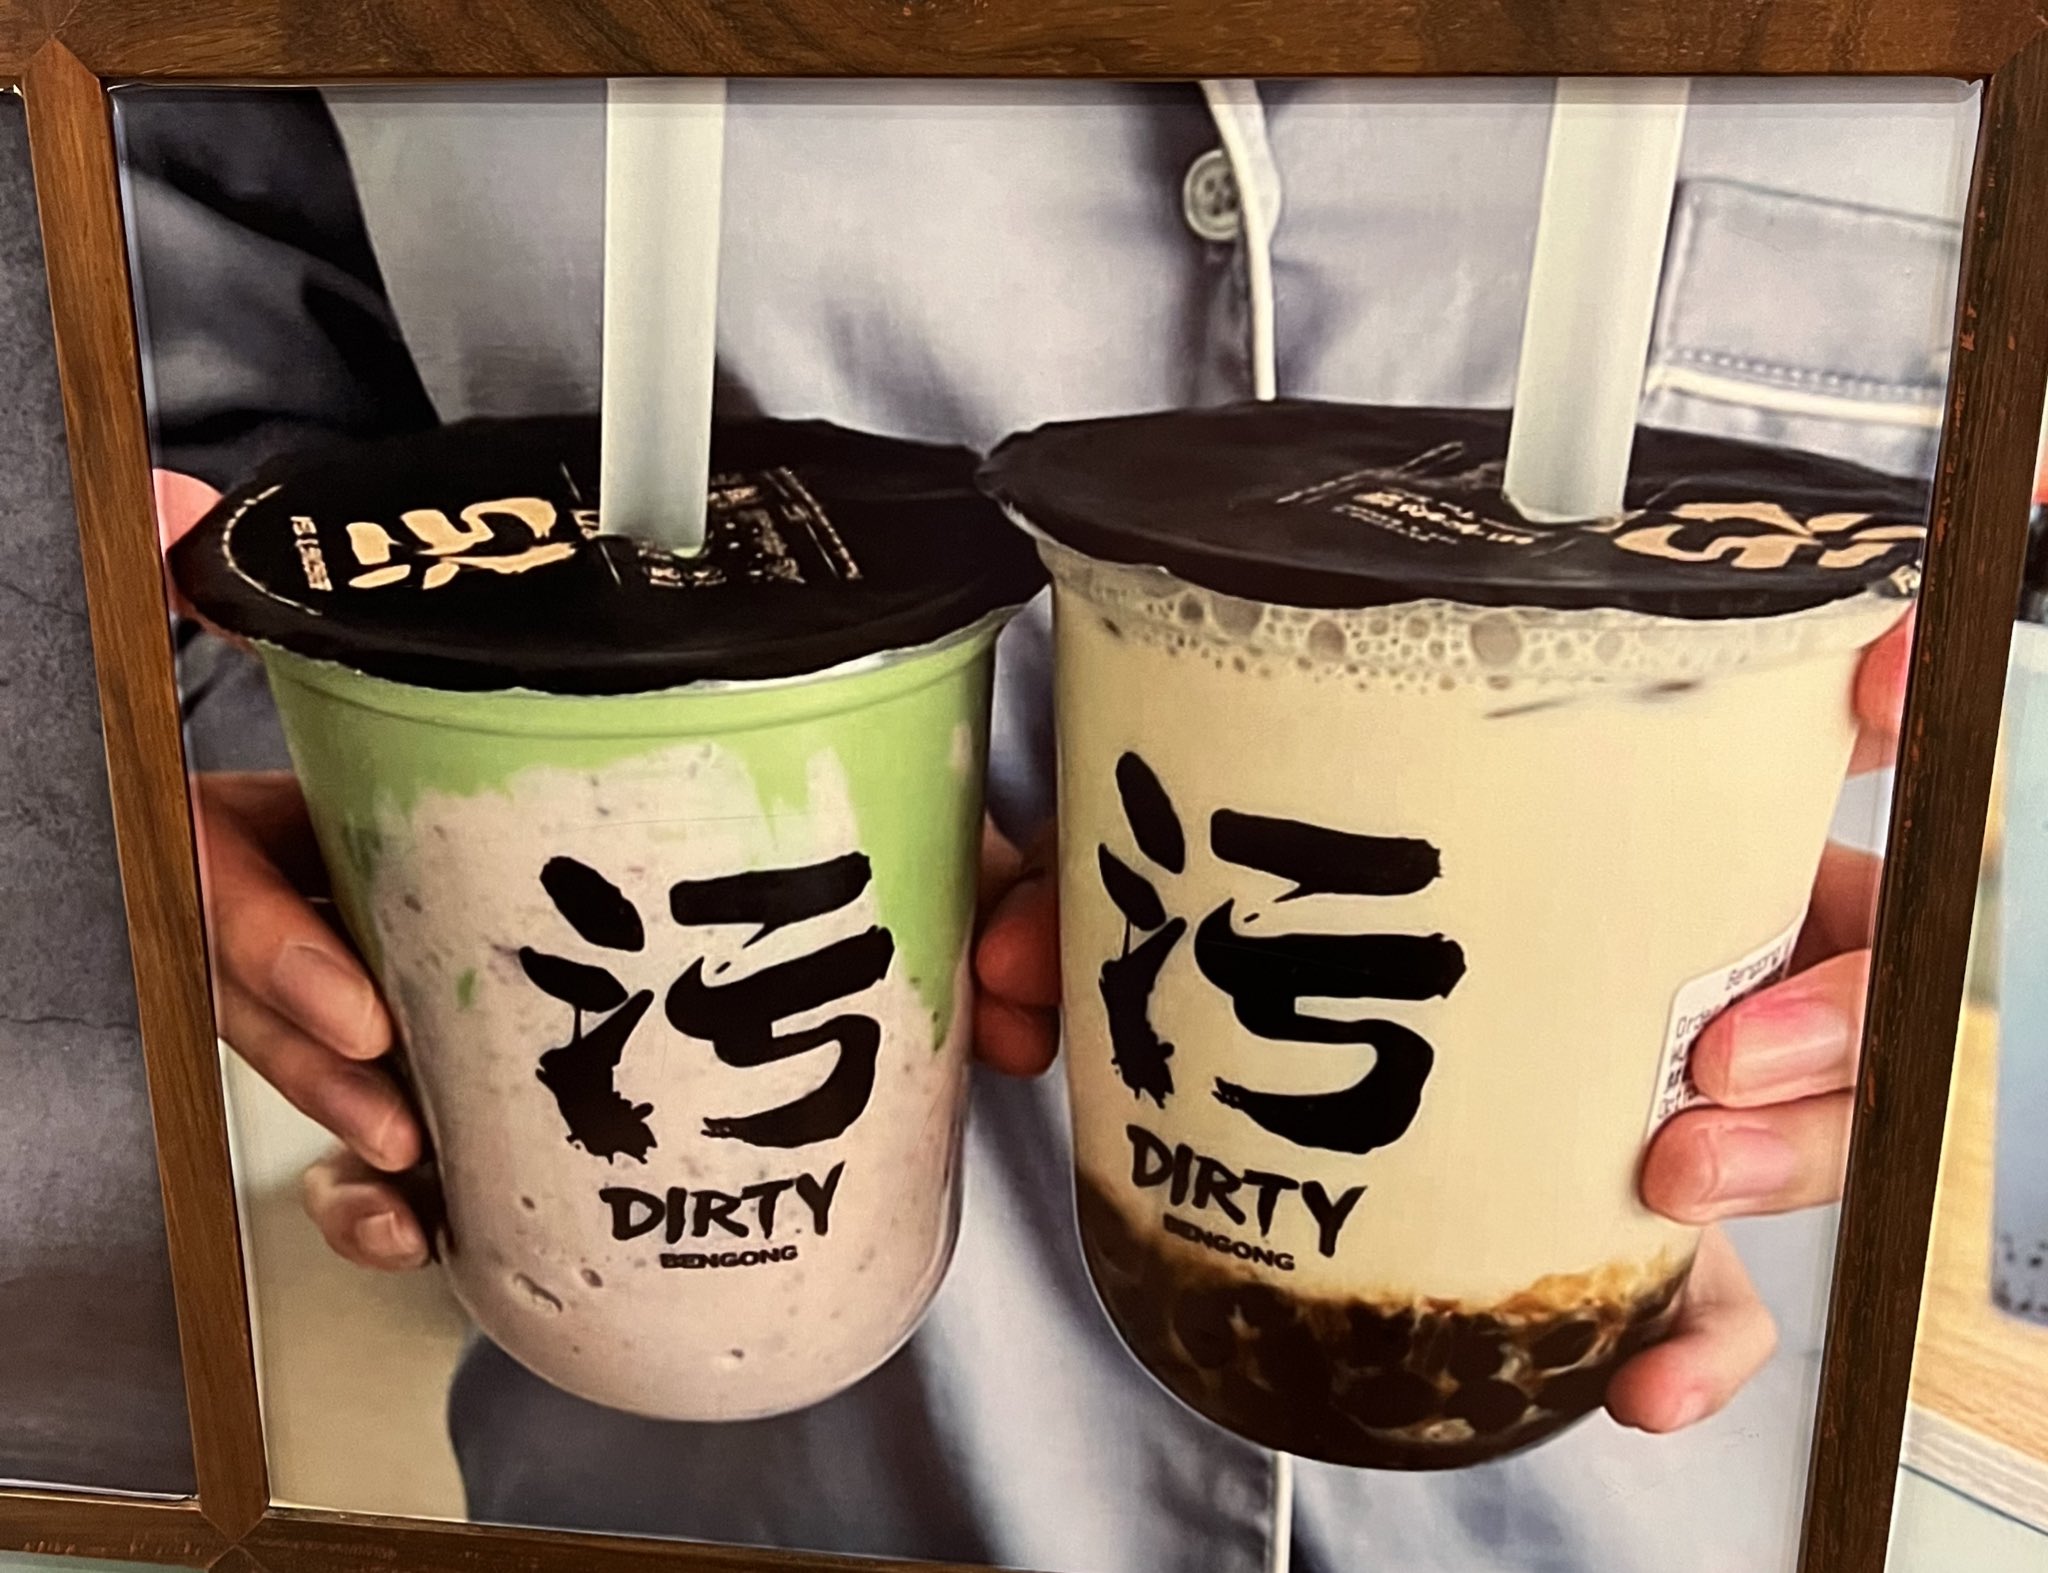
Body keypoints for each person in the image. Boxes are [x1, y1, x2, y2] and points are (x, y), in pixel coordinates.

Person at [127, 76, 1973, 1571]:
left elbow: (1965, 708)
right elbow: (180, 482)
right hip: (719, 1472)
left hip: (1638, 1463)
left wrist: (1957, 930)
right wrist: (277, 815)